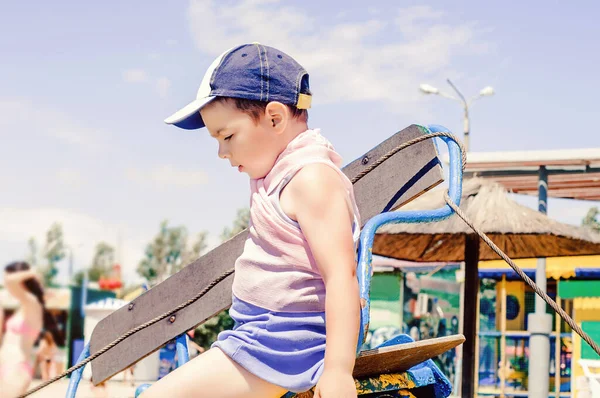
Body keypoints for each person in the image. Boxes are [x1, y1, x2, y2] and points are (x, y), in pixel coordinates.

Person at [142, 43, 361, 398]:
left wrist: (338, 370)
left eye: (227, 136)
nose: (222, 152)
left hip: (284, 346)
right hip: (260, 338)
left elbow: (341, 276)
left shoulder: (310, 179)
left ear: (275, 118)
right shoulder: (280, 174)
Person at [0, 262, 63, 398]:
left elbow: (8, 281)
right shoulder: (25, 306)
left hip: (16, 368)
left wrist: (32, 272)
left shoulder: (32, 303)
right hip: (8, 366)